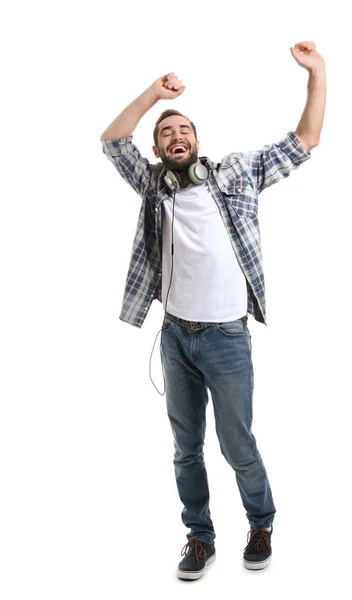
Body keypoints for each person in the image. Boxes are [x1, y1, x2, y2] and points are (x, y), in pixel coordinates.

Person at [100, 41, 326, 580]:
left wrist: (317, 71)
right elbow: (111, 140)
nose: (176, 136)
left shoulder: (237, 174)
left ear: (198, 144)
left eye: (184, 130)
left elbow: (306, 139)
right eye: (165, 132)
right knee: (185, 449)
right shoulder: (154, 184)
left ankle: (261, 522)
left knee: (238, 443)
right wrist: (155, 93)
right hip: (176, 336)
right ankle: (199, 537)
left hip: (226, 337)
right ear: (159, 151)